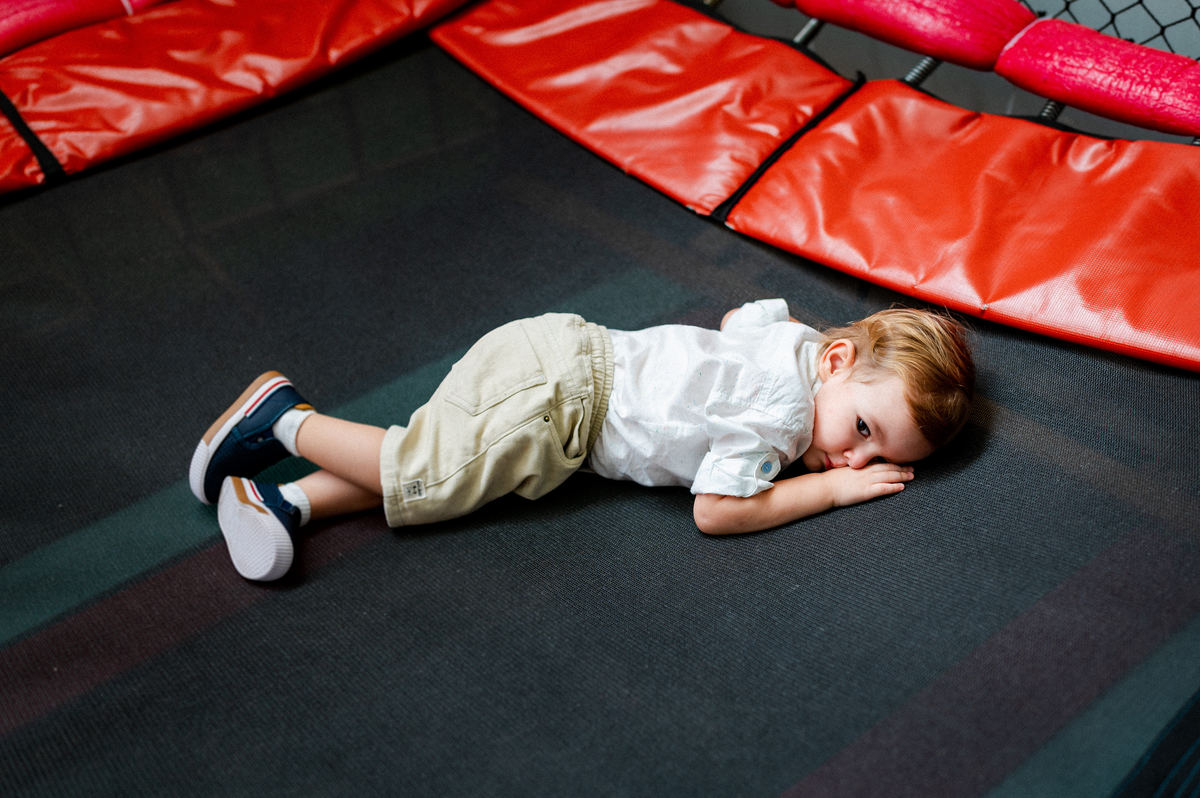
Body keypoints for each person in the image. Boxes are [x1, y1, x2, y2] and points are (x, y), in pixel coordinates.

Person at [188, 299, 974, 581]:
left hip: (561, 360)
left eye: (878, 459)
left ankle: (284, 503)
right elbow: (717, 510)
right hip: (561, 403)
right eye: (863, 431)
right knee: (429, 475)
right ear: (835, 365)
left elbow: (746, 317)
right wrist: (826, 489)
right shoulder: (779, 422)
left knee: (449, 464)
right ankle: (281, 419)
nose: (855, 459)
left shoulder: (798, 346)